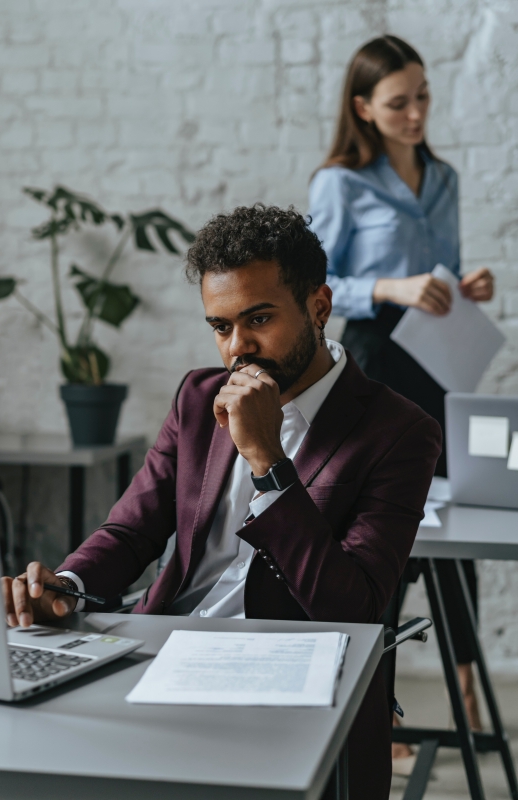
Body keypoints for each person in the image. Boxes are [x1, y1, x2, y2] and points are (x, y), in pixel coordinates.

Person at [3, 205, 441, 800]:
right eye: (221, 326)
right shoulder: (196, 397)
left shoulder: (399, 431)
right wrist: (67, 585)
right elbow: (131, 532)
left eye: (258, 319)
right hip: (162, 653)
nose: (238, 348)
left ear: (319, 306)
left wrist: (267, 462)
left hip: (288, 687)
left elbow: (355, 608)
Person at [307, 35, 494, 764]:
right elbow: (317, 288)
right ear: (363, 107)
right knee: (382, 530)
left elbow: (438, 270)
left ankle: (469, 696)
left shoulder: (442, 177)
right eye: (398, 102)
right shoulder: (340, 183)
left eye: (422, 97)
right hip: (377, 361)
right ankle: (371, 712)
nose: (415, 113)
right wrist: (390, 287)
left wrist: (461, 285)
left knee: (457, 522)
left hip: (439, 354)